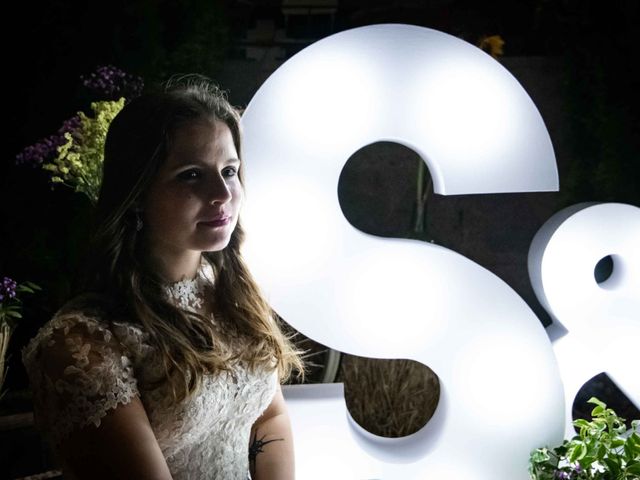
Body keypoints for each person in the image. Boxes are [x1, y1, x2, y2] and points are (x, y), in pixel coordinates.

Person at [22, 75, 304, 480]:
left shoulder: (229, 292)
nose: (223, 195)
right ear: (137, 193)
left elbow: (269, 418)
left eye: (229, 170)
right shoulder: (83, 343)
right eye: (191, 175)